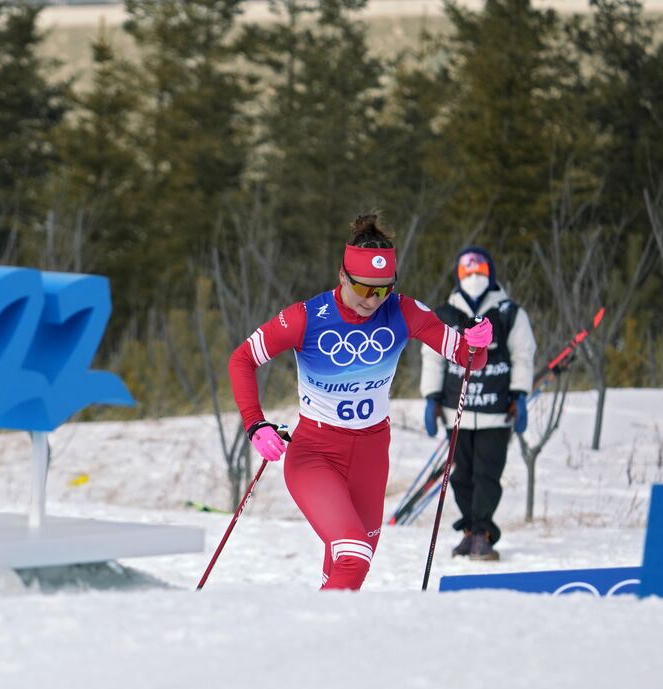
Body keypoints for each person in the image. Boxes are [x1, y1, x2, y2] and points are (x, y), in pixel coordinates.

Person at [227, 213, 491, 591]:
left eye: (383, 290)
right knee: (353, 554)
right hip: (316, 452)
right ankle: (300, 640)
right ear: (342, 276)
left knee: (348, 567)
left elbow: (470, 360)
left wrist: (478, 342)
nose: (373, 300)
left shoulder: (402, 311)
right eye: (365, 289)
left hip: (371, 455)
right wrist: (256, 424)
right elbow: (242, 359)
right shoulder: (307, 317)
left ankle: (325, 641)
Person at [419, 247, 536, 561]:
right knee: (460, 475)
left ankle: (484, 533)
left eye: (479, 272)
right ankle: (469, 531)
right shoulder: (444, 314)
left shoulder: (509, 313)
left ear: (491, 274)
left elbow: (524, 357)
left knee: (487, 474)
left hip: (495, 413)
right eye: (467, 273)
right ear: (457, 276)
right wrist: (431, 399)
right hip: (456, 412)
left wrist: (519, 395)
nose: (473, 278)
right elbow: (432, 358)